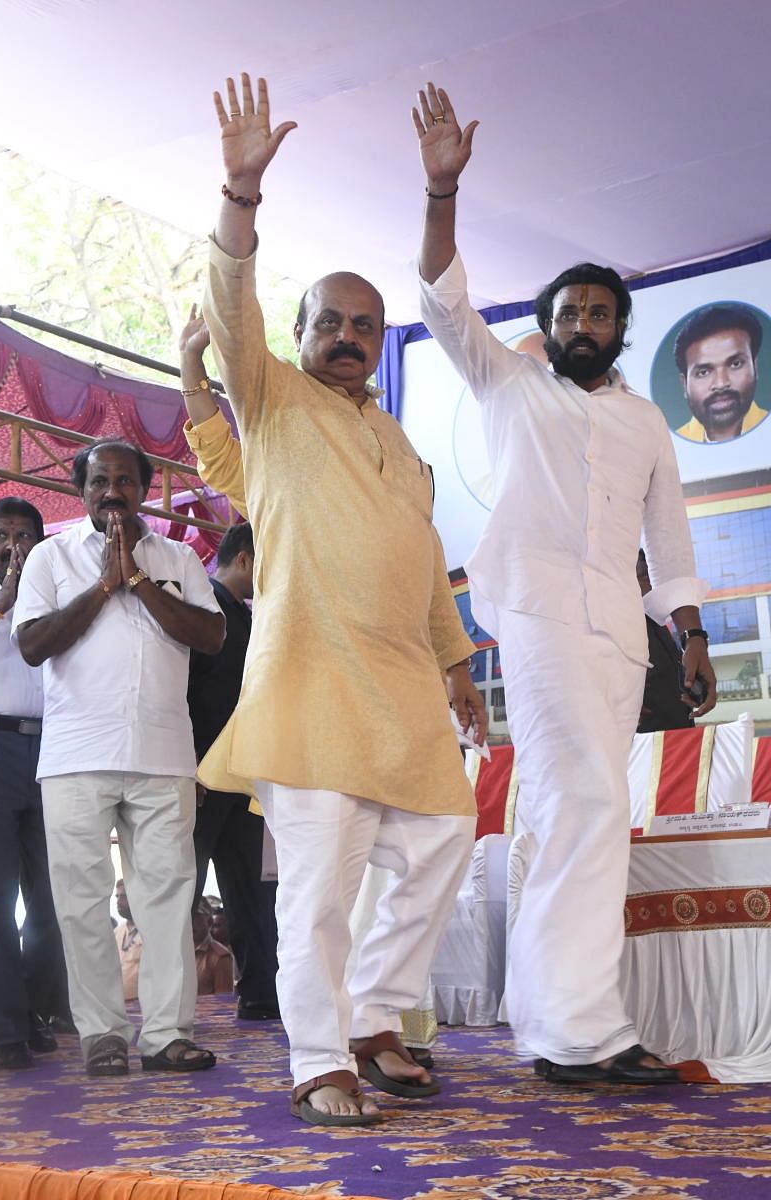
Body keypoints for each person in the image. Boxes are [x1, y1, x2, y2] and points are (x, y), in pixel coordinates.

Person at [183, 72, 487, 1126]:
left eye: (366, 326)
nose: (350, 337)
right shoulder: (269, 404)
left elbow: (423, 556)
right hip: (309, 684)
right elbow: (229, 307)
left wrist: (457, 667)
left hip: (403, 690)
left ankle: (373, 1016)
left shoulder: (397, 441)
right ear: (302, 331)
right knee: (314, 892)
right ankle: (320, 1058)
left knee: (444, 839)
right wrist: (240, 195)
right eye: (332, 322)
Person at [413, 83, 717, 1086]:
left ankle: (557, 1026)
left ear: (620, 327)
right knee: (576, 801)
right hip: (537, 617)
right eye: (566, 310)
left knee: (578, 812)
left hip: (618, 635)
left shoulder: (641, 424)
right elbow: (441, 301)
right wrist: (441, 189)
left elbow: (666, 534)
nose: (580, 320)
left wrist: (691, 633)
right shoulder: (509, 383)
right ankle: (578, 1032)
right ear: (544, 324)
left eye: (597, 310)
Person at [12, 438, 225, 1078]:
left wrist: (137, 578)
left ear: (143, 489)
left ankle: (165, 1036)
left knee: (166, 897)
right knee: (80, 900)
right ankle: (102, 1034)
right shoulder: (50, 556)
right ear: (81, 492)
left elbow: (210, 635)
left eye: (125, 480)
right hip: (77, 755)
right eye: (99, 480)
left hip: (163, 753)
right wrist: (105, 586)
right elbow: (30, 644)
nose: (112, 491)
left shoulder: (180, 557)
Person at [179, 319, 280, 1021]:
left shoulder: (255, 615)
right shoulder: (202, 606)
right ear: (245, 557)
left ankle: (259, 995)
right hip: (197, 764)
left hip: (241, 770)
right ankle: (172, 1007)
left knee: (249, 887)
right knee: (180, 885)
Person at [0, 497, 63, 1069]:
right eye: (2, 535)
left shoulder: (53, 603)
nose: (14, 545)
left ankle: (35, 1009)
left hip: (52, 746)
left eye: (26, 536)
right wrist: (0, 606)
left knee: (54, 897)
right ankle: (7, 1028)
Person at [674, 303, 767, 442]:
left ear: (755, 367)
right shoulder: (670, 447)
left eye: (735, 364)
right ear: (684, 384)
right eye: (703, 372)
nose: (721, 383)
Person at [636, 550, 696, 734]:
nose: (653, 585)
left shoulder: (658, 624)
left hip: (676, 737)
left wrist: (691, 691)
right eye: (645, 577)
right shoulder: (623, 627)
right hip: (643, 742)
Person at [192, 898, 235, 995]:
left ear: (209, 922)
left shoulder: (219, 956)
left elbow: (222, 1006)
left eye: (196, 917)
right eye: (188, 917)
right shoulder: (178, 952)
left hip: (202, 1010)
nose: (191, 923)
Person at [113, 878, 143, 1002]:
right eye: (117, 896)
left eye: (124, 896)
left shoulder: (150, 932)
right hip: (120, 1005)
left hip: (144, 1005)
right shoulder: (116, 932)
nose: (119, 901)